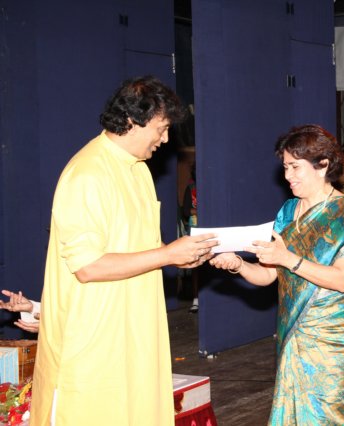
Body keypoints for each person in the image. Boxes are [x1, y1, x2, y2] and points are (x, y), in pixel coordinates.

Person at [31, 76, 218, 426]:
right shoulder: (87, 174)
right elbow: (88, 267)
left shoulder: (138, 170)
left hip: (135, 334)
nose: (165, 139)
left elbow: (142, 247)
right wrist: (167, 255)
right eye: (162, 129)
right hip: (95, 339)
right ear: (133, 120)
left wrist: (182, 253)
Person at [210, 124, 344, 425]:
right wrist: (238, 265)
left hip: (336, 347)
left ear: (323, 165)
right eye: (285, 167)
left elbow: (341, 279)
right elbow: (270, 275)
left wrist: (288, 258)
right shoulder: (288, 212)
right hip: (294, 340)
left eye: (295, 167)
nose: (287, 176)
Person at [181, 164, 200, 312]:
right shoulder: (191, 188)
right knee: (196, 266)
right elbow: (186, 211)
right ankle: (196, 299)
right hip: (195, 230)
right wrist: (198, 210)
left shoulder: (213, 187)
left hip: (212, 230)